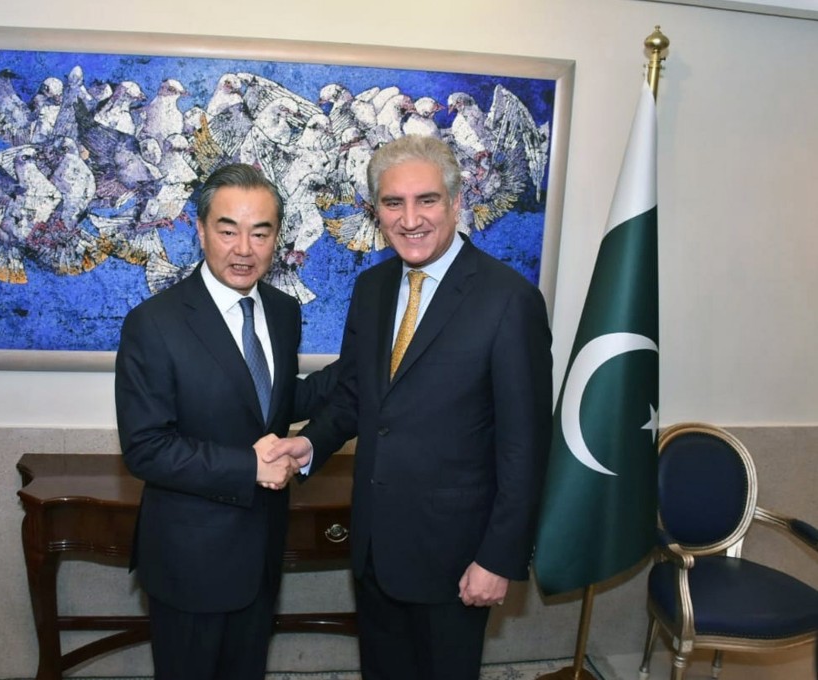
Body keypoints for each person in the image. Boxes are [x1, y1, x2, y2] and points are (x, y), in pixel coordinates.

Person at [266, 134, 554, 679]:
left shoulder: (509, 300)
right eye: (393, 203)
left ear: (455, 202)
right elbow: (358, 394)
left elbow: (526, 445)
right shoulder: (373, 287)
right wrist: (310, 444)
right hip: (375, 546)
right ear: (376, 212)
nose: (410, 218)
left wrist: (498, 557)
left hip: (458, 556)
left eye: (427, 200)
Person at [115, 163, 335, 680]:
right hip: (190, 560)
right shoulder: (154, 323)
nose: (244, 249)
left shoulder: (282, 311)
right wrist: (247, 467)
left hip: (262, 551)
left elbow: (273, 403)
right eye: (227, 229)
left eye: (260, 232)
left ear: (277, 237)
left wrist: (365, 365)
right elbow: (145, 447)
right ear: (200, 229)